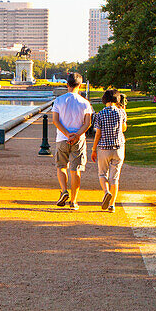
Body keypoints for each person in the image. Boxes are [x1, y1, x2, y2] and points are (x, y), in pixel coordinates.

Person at [51, 72, 94, 210]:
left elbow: (55, 121)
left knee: (61, 166)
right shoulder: (85, 103)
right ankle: (74, 201)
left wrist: (67, 134)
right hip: (78, 139)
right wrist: (76, 135)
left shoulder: (59, 100)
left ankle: (64, 191)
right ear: (80, 85)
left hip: (62, 138)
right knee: (76, 170)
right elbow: (87, 124)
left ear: (67, 85)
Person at [91, 89, 128, 212]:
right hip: (118, 147)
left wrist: (93, 149)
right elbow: (123, 129)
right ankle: (112, 205)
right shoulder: (121, 112)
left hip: (104, 148)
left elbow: (98, 134)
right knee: (115, 178)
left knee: (102, 174)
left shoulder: (100, 114)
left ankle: (106, 192)